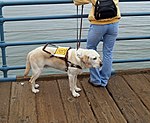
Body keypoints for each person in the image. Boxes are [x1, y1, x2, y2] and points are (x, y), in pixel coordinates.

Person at [73, 0, 121, 87]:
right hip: (114, 23)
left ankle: (95, 80)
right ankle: (104, 80)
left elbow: (79, 1)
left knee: (91, 49)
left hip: (98, 24)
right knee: (108, 52)